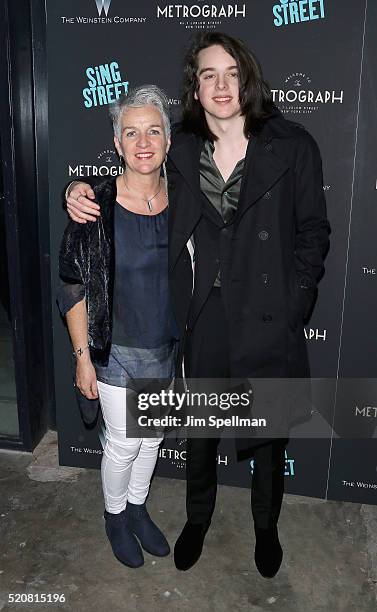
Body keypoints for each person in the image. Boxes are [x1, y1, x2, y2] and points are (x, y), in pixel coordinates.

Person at [65, 32, 330, 578]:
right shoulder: (183, 148)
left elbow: (313, 232)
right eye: (208, 75)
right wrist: (80, 186)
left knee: (267, 438)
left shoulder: (292, 144)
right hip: (207, 316)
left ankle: (265, 529)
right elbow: (134, 175)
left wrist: (295, 300)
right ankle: (197, 521)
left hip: (267, 318)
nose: (221, 85)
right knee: (203, 434)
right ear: (196, 87)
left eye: (231, 72)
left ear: (247, 77)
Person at [58, 85, 179, 568]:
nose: (143, 141)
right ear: (118, 140)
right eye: (132, 132)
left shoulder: (187, 201)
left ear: (168, 140)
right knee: (125, 441)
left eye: (154, 130)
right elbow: (72, 287)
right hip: (114, 351)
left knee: (151, 438)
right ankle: (114, 515)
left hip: (167, 348)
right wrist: (82, 357)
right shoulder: (94, 207)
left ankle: (136, 507)